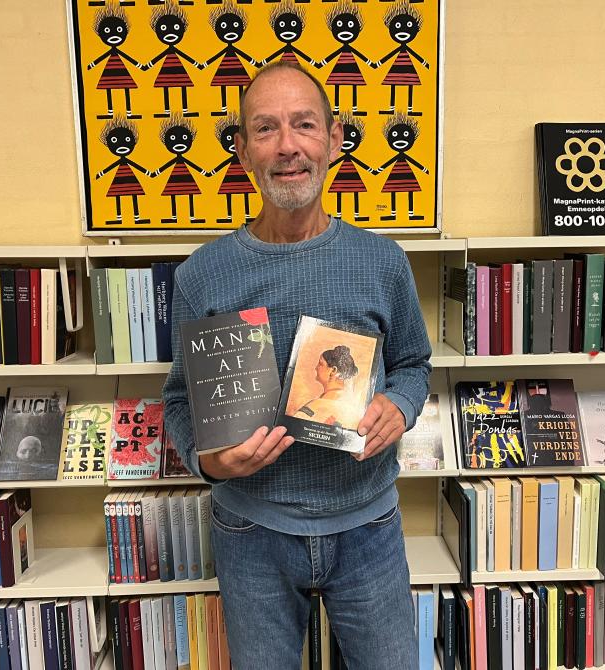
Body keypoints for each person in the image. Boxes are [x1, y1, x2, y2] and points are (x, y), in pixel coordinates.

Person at [162, 62, 432, 669]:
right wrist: (208, 461)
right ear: (241, 151)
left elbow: (415, 362)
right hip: (250, 533)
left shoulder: (382, 261)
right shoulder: (201, 275)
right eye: (265, 129)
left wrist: (402, 407)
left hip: (370, 528)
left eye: (304, 125)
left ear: (334, 140)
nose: (288, 146)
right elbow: (180, 401)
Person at [292, 345, 361, 428]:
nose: (316, 368)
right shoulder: (353, 408)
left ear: (333, 370)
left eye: (320, 364)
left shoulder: (314, 408)